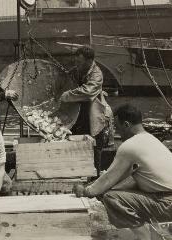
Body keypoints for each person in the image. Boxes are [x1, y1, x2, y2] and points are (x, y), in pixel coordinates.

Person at [73, 104, 172, 240]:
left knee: (112, 198)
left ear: (126, 124)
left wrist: (85, 190)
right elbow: (126, 178)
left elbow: (107, 180)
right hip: (166, 198)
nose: (117, 132)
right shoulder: (152, 140)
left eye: (117, 127)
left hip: (166, 203)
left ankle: (145, 237)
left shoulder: (129, 146)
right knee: (126, 186)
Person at [59, 45, 114, 174]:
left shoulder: (97, 74)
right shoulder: (77, 70)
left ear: (89, 61)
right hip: (79, 114)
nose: (77, 64)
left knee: (95, 146)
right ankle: (78, 172)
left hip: (94, 113)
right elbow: (66, 80)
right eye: (76, 61)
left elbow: (88, 92)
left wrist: (66, 95)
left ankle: (95, 177)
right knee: (75, 141)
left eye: (80, 61)